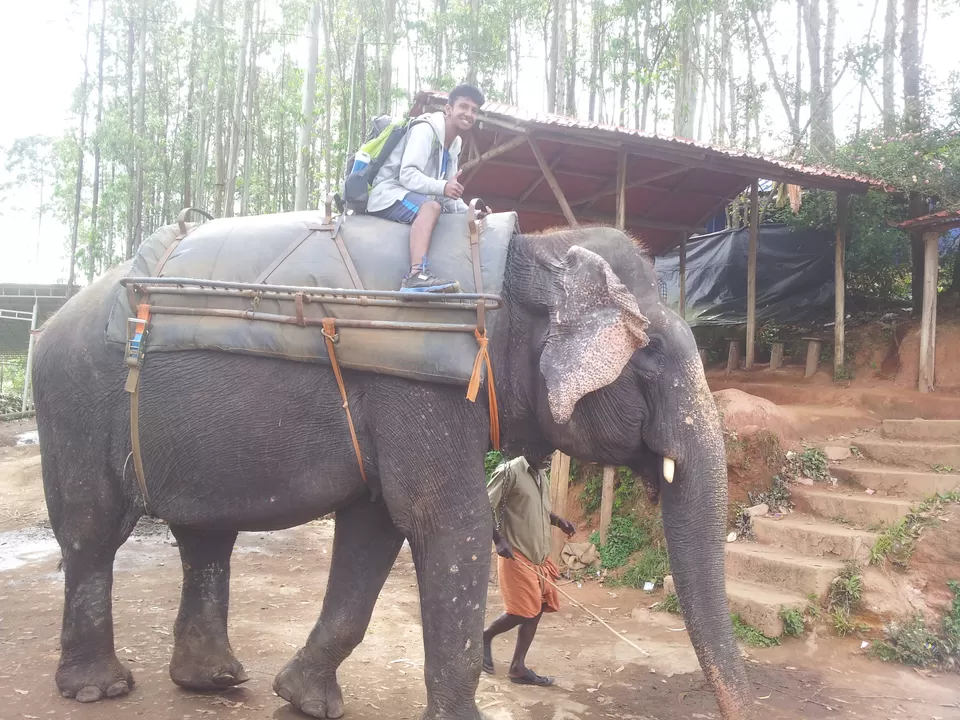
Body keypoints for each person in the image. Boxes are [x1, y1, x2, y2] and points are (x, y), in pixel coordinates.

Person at [366, 83, 487, 293]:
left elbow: (448, 197)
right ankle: (415, 276)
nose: (469, 114)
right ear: (448, 109)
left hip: (412, 196)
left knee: (436, 206)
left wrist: (472, 212)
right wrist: (443, 187)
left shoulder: (454, 144)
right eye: (463, 107)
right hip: (389, 192)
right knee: (431, 208)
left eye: (474, 111)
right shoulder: (426, 129)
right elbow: (408, 175)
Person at [483, 454, 576, 687]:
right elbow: (483, 506)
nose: (549, 457)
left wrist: (557, 521)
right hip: (516, 555)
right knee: (523, 611)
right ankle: (485, 636)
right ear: (528, 446)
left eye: (551, 453)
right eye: (545, 450)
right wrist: (498, 540)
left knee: (536, 610)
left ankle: (518, 668)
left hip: (540, 558)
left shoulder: (540, 473)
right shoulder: (509, 471)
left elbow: (536, 511)